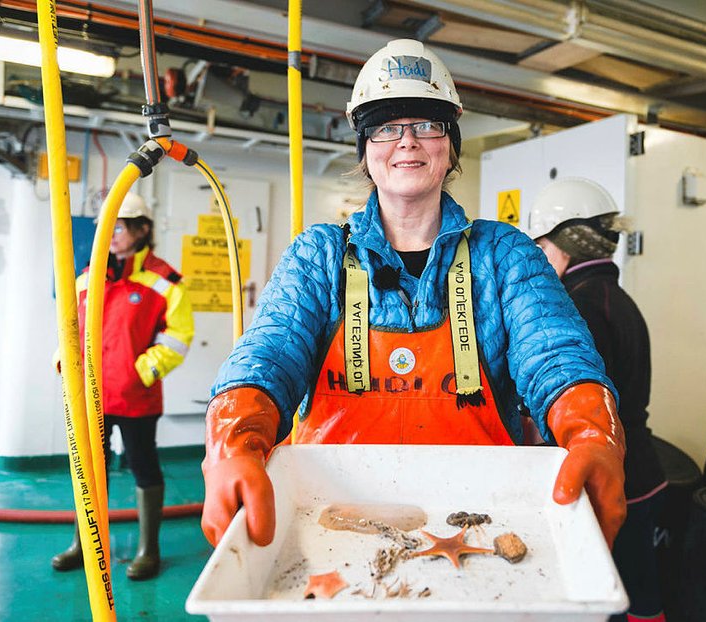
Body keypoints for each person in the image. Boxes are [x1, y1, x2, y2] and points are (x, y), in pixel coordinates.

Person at [200, 39, 627, 554]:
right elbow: (269, 351)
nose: (407, 141)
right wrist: (235, 442)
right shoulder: (318, 255)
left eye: (428, 123)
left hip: (480, 519)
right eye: (386, 126)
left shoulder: (505, 254)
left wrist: (592, 434)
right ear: (365, 147)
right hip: (330, 522)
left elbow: (555, 353)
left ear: (450, 144)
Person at [527, 178, 668, 622]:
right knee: (642, 595)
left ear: (562, 247)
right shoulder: (618, 299)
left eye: (541, 249)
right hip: (642, 473)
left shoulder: (578, 307)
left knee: (598, 599)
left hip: (607, 478)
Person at [51, 192, 195, 581]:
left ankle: (149, 550)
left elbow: (178, 338)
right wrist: (62, 359)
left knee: (144, 469)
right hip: (90, 396)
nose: (110, 234)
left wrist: (140, 371)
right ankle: (83, 545)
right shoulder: (88, 277)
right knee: (88, 471)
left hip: (136, 398)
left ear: (142, 230)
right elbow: (71, 329)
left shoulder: (166, 282)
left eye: (119, 226)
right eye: (106, 226)